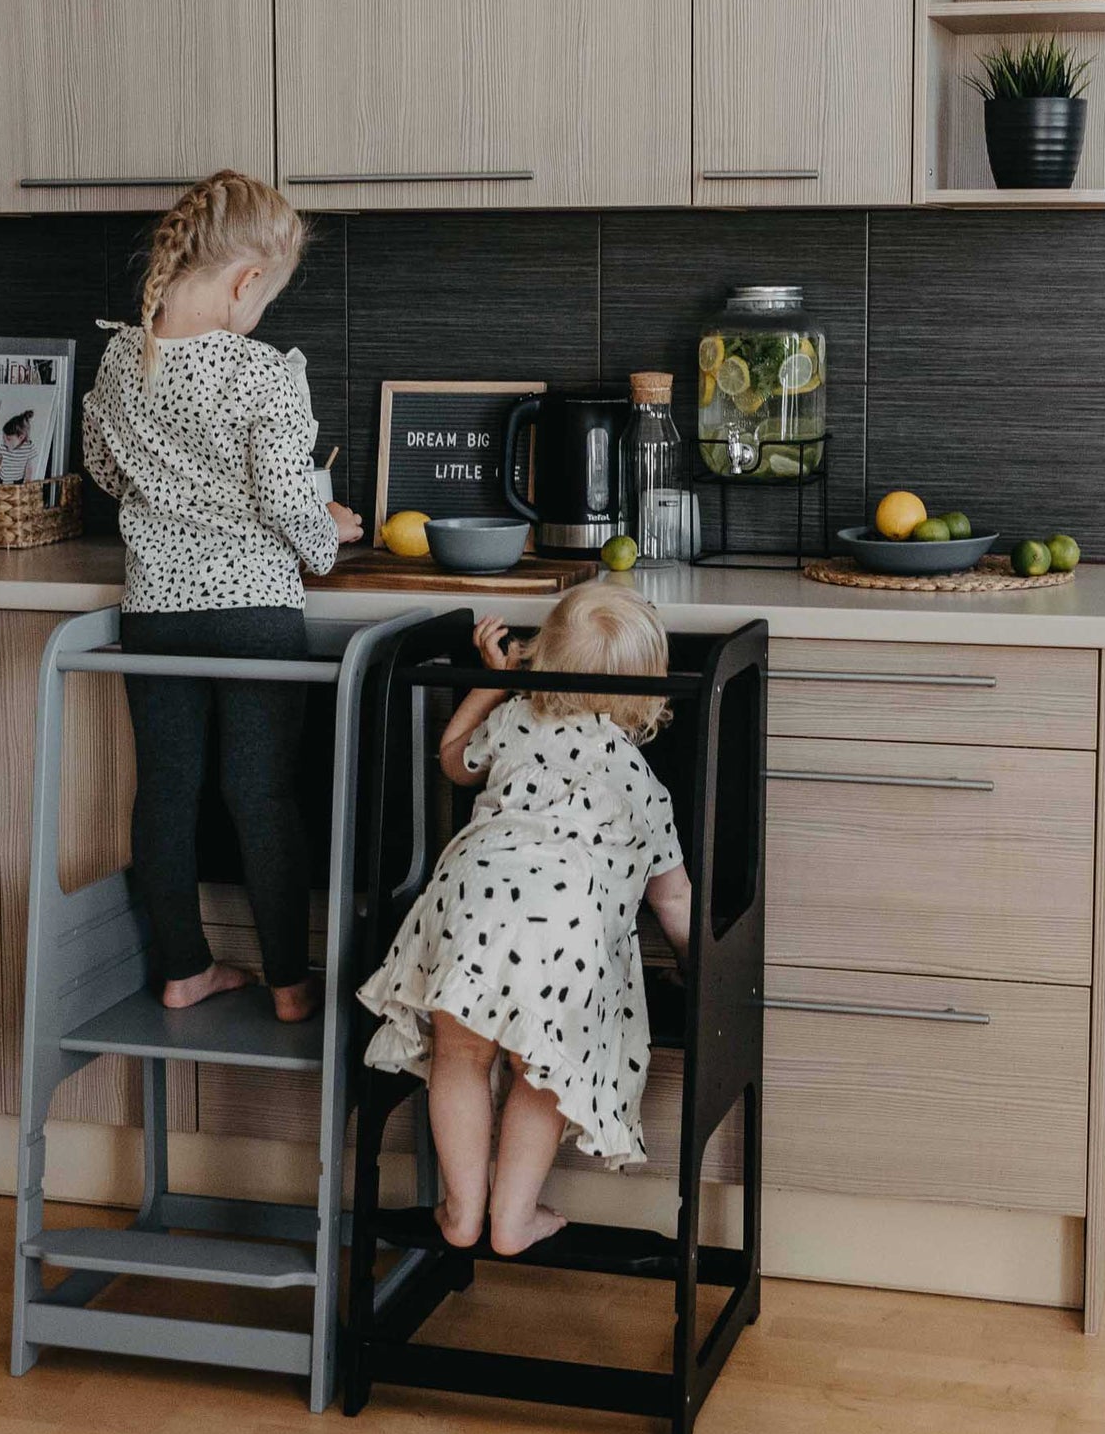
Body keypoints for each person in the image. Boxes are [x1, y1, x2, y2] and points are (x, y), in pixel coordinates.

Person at [83, 170, 362, 1024]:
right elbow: (287, 503)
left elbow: (102, 468)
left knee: (167, 788)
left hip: (155, 610)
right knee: (260, 792)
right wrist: (330, 534)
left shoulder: (123, 356)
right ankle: (288, 984)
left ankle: (182, 969)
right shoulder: (263, 375)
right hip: (253, 610)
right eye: (265, 298)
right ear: (247, 281)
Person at [358, 583, 693, 1255]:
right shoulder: (635, 776)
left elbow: (453, 760)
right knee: (539, 1075)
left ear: (544, 655)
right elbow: (673, 896)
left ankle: (461, 1209)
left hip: (471, 900)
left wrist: (491, 682)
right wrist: (699, 968)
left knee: (460, 1054)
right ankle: (512, 1218)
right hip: (559, 930)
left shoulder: (516, 718)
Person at [0, 410, 38, 484]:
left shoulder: (28, 448)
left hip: (18, 482)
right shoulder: (3, 447)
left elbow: (29, 469)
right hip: (2, 481)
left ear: (21, 437)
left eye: (8, 439)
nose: (5, 441)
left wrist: (27, 484)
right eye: (3, 438)